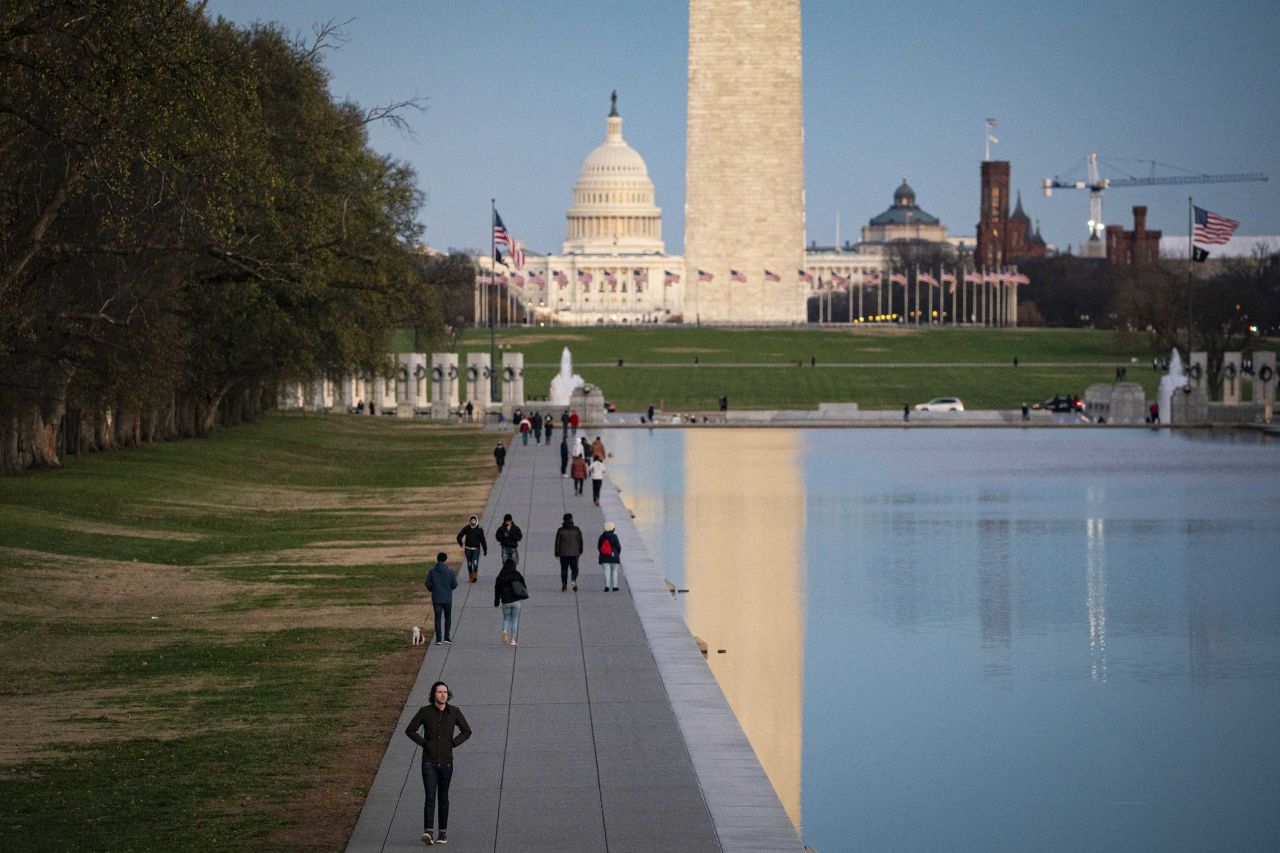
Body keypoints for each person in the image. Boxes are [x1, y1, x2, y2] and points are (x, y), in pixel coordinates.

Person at [405, 680, 471, 846]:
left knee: (443, 797)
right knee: (430, 796)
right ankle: (428, 831)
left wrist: (453, 743)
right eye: (440, 692)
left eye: (445, 692)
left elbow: (467, 731)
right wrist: (424, 743)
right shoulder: (425, 712)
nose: (443, 694)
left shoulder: (454, 712)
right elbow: (410, 730)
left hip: (447, 763)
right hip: (429, 762)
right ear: (433, 694)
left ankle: (442, 833)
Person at [494, 558, 529, 645]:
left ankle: (505, 630)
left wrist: (497, 601)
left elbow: (497, 590)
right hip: (516, 600)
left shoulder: (500, 577)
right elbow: (523, 585)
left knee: (506, 619)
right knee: (515, 620)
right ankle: (513, 639)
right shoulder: (517, 575)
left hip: (505, 601)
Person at [424, 553, 457, 645]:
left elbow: (427, 584)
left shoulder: (432, 571)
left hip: (436, 598)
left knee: (437, 618)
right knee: (448, 617)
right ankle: (447, 637)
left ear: (437, 559)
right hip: (447, 598)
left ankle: (438, 639)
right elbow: (454, 584)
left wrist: (432, 589)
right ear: (446, 560)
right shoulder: (450, 572)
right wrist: (449, 589)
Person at [555, 512, 583, 592]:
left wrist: (556, 553)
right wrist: (580, 550)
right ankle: (573, 579)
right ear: (571, 520)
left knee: (564, 569)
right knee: (575, 568)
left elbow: (557, 543)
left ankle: (564, 584)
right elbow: (580, 541)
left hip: (563, 553)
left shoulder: (560, 530)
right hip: (574, 553)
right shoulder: (576, 530)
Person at [455, 515, 488, 583]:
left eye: (474, 520)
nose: (473, 521)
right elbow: (459, 536)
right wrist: (461, 544)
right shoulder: (466, 528)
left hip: (476, 549)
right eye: (472, 520)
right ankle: (471, 576)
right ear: (470, 521)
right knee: (469, 563)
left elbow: (483, 540)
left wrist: (485, 550)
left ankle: (475, 576)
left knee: (475, 562)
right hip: (468, 549)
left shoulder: (480, 529)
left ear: (476, 521)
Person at [597, 521, 622, 591]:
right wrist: (617, 554)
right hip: (614, 557)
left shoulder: (601, 537)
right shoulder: (614, 536)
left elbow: (599, 547)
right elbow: (619, 547)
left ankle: (607, 586)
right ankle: (615, 586)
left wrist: (603, 553)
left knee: (606, 571)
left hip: (604, 557)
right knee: (614, 571)